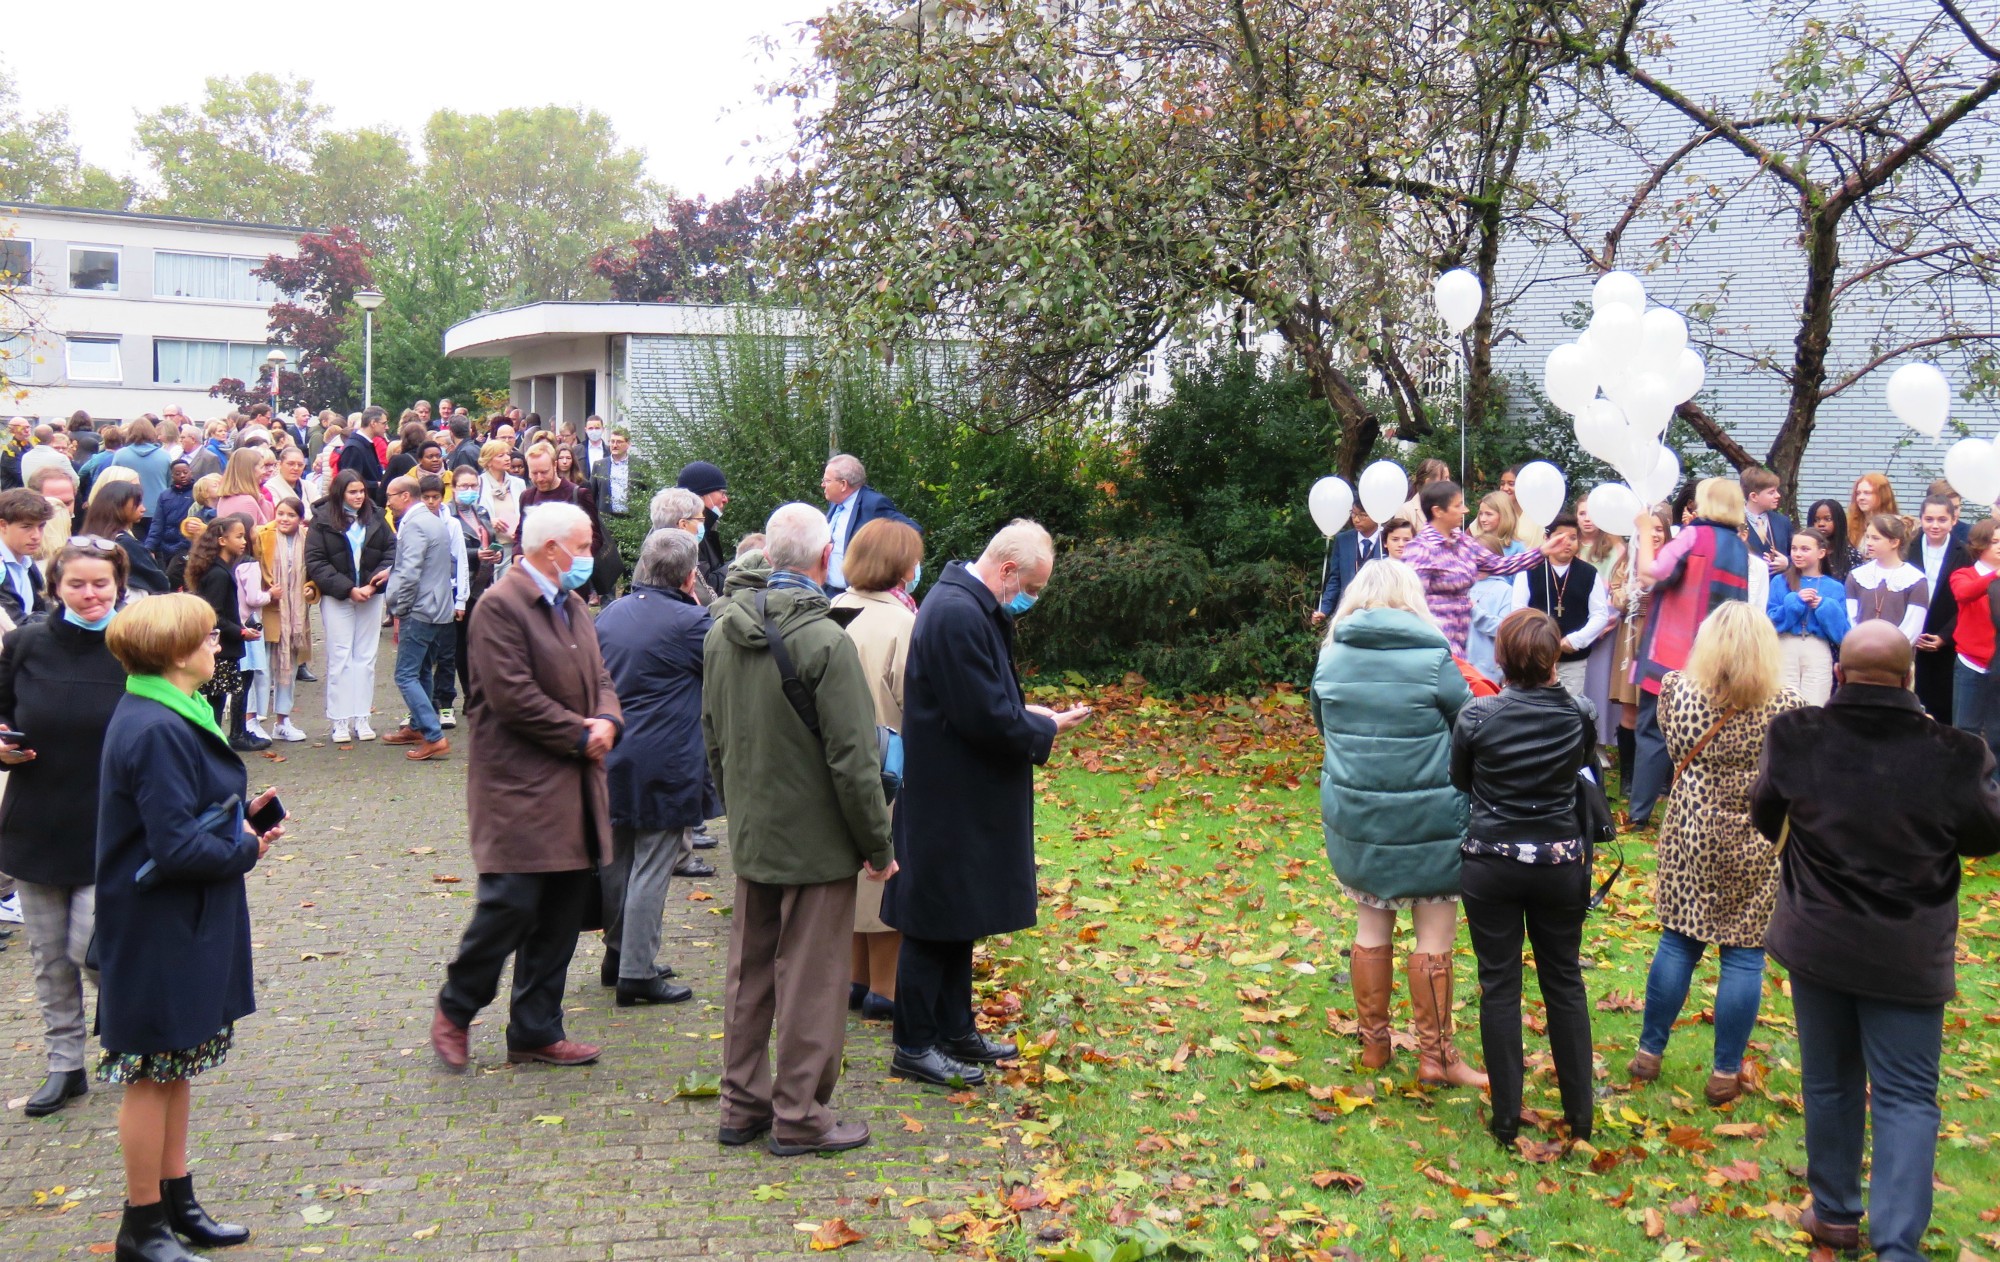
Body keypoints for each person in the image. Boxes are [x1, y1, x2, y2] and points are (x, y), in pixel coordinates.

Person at [1750, 621, 2000, 1259]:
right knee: (1907, 1093)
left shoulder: (1797, 737)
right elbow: (1983, 835)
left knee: (1830, 1079)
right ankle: (1893, 1243)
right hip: (1907, 951)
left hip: (1820, 937)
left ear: (1839, 673)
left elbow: (1764, 813)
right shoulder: (1957, 753)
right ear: (1910, 678)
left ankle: (1835, 1212)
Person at [702, 502, 897, 1152]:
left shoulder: (721, 631)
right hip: (817, 846)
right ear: (823, 560)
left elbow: (713, 739)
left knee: (748, 972)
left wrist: (739, 811)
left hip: (755, 832)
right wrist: (878, 846)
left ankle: (741, 1105)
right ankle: (799, 1116)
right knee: (812, 980)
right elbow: (854, 762)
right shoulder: (824, 641)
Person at [98, 594, 284, 1261]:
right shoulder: (153, 726)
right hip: (157, 923)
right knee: (150, 1070)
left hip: (184, 917)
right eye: (208, 638)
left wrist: (236, 818)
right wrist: (247, 848)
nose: (218, 646)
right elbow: (174, 848)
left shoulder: (176, 708)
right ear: (175, 652)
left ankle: (179, 1202)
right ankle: (141, 1224)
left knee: (176, 1062)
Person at [883, 520, 1088, 1087]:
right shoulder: (956, 612)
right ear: (1005, 571)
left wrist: (1031, 717)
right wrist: (1042, 728)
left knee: (958, 914)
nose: (1032, 599)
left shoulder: (966, 605)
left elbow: (985, 700)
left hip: (961, 790)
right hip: (948, 794)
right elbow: (982, 715)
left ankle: (954, 1029)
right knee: (932, 918)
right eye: (1033, 587)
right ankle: (915, 1043)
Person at [431, 502, 623, 1073]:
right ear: (551, 550)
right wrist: (579, 732)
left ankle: (536, 1028)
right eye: (585, 547)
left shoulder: (572, 605)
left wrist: (609, 720)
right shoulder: (501, 606)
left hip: (574, 783)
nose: (592, 557)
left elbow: (603, 677)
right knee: (510, 903)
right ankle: (456, 1007)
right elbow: (511, 696)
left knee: (563, 909)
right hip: (517, 787)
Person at [1310, 559, 1483, 1086]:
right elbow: (1469, 726)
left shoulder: (1331, 656)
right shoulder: (1434, 658)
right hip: (1430, 814)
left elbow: (1325, 726)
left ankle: (1375, 1046)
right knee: (1434, 931)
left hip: (1356, 813)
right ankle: (1437, 1056)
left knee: (1370, 924)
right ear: (1412, 598)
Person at [1629, 604, 1804, 1103]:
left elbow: (1668, 743)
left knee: (1678, 941)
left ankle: (1649, 1052)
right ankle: (1725, 1072)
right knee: (1745, 956)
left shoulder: (1677, 690)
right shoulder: (1786, 706)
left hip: (1690, 828)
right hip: (1757, 834)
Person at [1450, 608, 1597, 1147]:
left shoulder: (1478, 716)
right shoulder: (1579, 711)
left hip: (1492, 860)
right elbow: (1583, 767)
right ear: (1554, 656)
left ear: (1503, 657)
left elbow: (1460, 778)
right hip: (1559, 861)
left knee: (1499, 983)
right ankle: (1580, 1115)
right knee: (1564, 980)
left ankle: (1507, 1118)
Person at [0, 539, 127, 1117]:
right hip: (37, 820)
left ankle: (130, 1030)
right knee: (49, 957)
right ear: (55, 588)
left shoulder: (134, 647)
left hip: (109, 826)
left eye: (101, 583)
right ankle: (64, 1064)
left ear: (118, 585)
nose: (91, 594)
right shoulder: (24, 644)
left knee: (91, 950)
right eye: (77, 584)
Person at [594, 528, 708, 1007]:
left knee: (618, 860)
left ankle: (618, 954)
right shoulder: (692, 622)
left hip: (612, 749)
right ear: (689, 575)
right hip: (664, 756)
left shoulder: (611, 614)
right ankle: (637, 972)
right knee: (654, 865)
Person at [1625, 478, 1767, 828]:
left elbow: (1650, 575)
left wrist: (1644, 531)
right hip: (1716, 657)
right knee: (1704, 735)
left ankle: (1638, 814)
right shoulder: (1737, 547)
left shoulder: (1693, 535)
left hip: (1670, 655)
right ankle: (1694, 812)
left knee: (1653, 732)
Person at [832, 518, 925, 1020]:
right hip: (889, 763)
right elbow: (917, 702)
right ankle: (885, 988)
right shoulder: (903, 624)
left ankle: (855, 978)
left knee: (851, 874)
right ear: (899, 566)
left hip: (836, 765)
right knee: (886, 874)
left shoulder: (830, 611)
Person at [1402, 479, 1555, 656]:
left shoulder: (1463, 542)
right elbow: (1412, 602)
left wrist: (1543, 552)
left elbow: (1499, 564)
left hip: (1464, 642)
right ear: (1438, 511)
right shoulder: (1421, 549)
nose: (1465, 510)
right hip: (1434, 645)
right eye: (1458, 505)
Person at [304, 470, 395, 743]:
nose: (358, 497)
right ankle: (340, 719)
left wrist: (372, 585)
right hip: (338, 597)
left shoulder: (377, 516)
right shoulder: (322, 521)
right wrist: (347, 589)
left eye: (361, 492)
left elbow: (391, 550)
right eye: (352, 492)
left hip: (370, 594)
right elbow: (316, 561)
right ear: (339, 493)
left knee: (366, 658)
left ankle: (362, 716)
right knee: (340, 656)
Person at [382, 475, 463, 761]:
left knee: (405, 674)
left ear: (405, 496)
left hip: (420, 608)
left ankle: (433, 734)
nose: (387, 501)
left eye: (391, 495)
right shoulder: (434, 520)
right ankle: (418, 726)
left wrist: (397, 607)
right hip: (439, 607)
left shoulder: (416, 524)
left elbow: (410, 571)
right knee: (421, 670)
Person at [185, 513, 268, 752]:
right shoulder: (219, 574)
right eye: (239, 536)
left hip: (221, 645)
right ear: (222, 540)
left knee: (217, 699)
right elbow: (215, 615)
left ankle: (215, 743)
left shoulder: (216, 569)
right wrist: (241, 632)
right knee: (216, 700)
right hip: (220, 648)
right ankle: (213, 746)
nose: (244, 541)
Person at [1511, 513, 1614, 701]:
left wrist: (1575, 640)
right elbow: (1519, 612)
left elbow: (1600, 615)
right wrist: (1535, 642)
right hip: (1536, 657)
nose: (1567, 543)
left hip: (1573, 658)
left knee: (1569, 707)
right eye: (1560, 537)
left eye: (1573, 538)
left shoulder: (1589, 574)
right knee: (1535, 704)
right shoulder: (1529, 571)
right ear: (1546, 539)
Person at [1609, 506, 1673, 790]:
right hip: (1632, 637)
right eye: (1650, 529)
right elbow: (1616, 599)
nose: (1655, 535)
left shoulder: (1674, 560)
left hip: (1665, 635)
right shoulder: (1627, 562)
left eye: (1660, 529)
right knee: (1631, 708)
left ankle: (1662, 777)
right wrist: (1631, 590)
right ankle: (1629, 777)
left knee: (1665, 708)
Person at [252, 497, 312, 742]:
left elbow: (315, 570)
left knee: (290, 666)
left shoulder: (308, 539)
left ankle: (283, 720)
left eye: (290, 515)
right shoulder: (261, 535)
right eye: (281, 513)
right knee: (262, 666)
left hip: (297, 613)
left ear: (300, 518)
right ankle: (253, 720)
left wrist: (312, 588)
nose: (284, 519)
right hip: (268, 609)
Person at [1767, 528, 1849, 706]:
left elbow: (1842, 632)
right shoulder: (1780, 581)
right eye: (1794, 548)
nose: (1797, 554)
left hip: (1817, 647)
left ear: (1821, 553)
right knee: (1782, 703)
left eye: (1805, 549)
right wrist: (1794, 601)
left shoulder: (1834, 587)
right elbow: (1771, 621)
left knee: (1815, 703)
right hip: (1785, 645)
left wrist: (1824, 605)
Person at [1907, 494, 1970, 722]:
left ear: (1953, 520)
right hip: (1910, 638)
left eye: (1942, 519)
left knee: (1941, 708)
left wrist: (1945, 636)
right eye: (1929, 519)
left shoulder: (1964, 554)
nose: (1935, 525)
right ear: (1921, 519)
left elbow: (1966, 603)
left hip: (1945, 641)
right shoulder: (1907, 549)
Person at [821, 453, 921, 597]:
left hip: (859, 594)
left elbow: (911, 531)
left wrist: (886, 567)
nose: (823, 485)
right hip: (828, 592)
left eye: (827, 481)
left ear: (843, 484)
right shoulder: (836, 503)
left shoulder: (873, 504)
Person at [1946, 518, 2000, 766]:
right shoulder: (1963, 574)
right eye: (1994, 542)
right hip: (1971, 663)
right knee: (1965, 729)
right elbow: (1964, 593)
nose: (1999, 546)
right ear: (1980, 545)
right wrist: (1994, 576)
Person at [1843, 513, 1927, 643]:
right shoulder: (1857, 576)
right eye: (1868, 537)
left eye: (1876, 538)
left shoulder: (1915, 579)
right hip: (1860, 650)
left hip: (1897, 654)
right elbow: (1851, 617)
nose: (1869, 543)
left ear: (1894, 542)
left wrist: (1890, 650)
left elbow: (1913, 626)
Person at [79, 482, 172, 596]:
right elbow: (160, 583)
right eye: (137, 504)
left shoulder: (87, 540)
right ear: (119, 506)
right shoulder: (126, 545)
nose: (143, 509)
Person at [1311, 503, 1384, 629]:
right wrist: (1324, 609)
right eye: (1353, 513)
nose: (1356, 519)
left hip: (1380, 611)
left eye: (1363, 515)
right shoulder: (1343, 539)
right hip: (1347, 612)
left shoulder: (1388, 539)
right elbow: (1335, 578)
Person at [651, 487, 720, 605]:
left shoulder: (660, 552)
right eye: (701, 520)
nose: (702, 526)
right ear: (683, 524)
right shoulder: (672, 560)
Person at [110, 419, 176, 535]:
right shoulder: (164, 456)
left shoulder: (120, 455)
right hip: (158, 509)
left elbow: (113, 481)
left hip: (128, 508)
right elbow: (170, 483)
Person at [0, 487, 52, 625]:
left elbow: (42, 608)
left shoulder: (27, 561)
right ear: (3, 525)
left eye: (41, 526)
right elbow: (15, 622)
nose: (36, 536)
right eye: (26, 527)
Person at [678, 461, 731, 593]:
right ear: (701, 497)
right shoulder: (687, 533)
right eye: (721, 492)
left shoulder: (705, 527)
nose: (726, 499)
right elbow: (707, 588)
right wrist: (742, 562)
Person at [1740, 467, 1792, 576]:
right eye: (1771, 492)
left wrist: (1788, 562)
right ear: (1754, 496)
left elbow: (1796, 553)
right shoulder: (1734, 522)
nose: (1778, 495)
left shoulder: (1783, 522)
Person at [1846, 473, 1898, 572]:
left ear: (1882, 495)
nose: (1860, 497)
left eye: (1867, 493)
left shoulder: (1897, 526)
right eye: (1858, 493)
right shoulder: (1850, 526)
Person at [340, 407, 391, 505]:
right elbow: (349, 482)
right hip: (362, 508)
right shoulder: (353, 448)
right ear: (373, 423)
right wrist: (376, 484)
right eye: (384, 423)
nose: (387, 427)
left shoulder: (364, 444)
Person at [213, 449, 274, 525]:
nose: (264, 472)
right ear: (250, 471)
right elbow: (251, 535)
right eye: (261, 468)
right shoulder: (247, 502)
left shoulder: (224, 499)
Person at [1806, 499, 1852, 580]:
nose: (1821, 524)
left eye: (1828, 519)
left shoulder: (1851, 555)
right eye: (1816, 520)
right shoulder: (1804, 553)